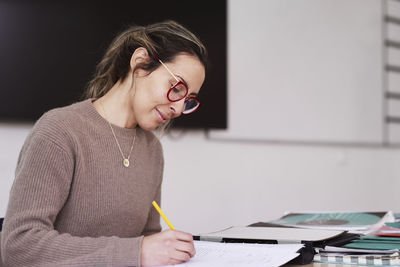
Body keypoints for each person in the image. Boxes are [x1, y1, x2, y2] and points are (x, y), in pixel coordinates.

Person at [0, 20, 207, 267]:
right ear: (140, 62)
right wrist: (136, 252)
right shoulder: (60, 131)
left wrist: (166, 249)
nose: (178, 107)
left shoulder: (152, 151)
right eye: (177, 87)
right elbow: (19, 246)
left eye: (189, 101)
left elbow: (147, 239)